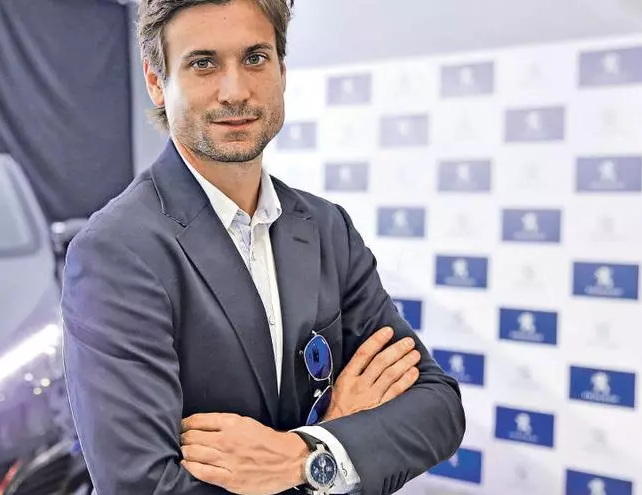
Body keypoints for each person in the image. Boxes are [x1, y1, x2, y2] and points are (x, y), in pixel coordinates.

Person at [60, 0, 466, 493]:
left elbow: (437, 407)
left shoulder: (327, 228)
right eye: (203, 63)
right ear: (156, 81)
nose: (235, 91)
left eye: (255, 58)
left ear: (282, 70)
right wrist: (338, 444)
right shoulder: (116, 251)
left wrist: (308, 454)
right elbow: (143, 487)